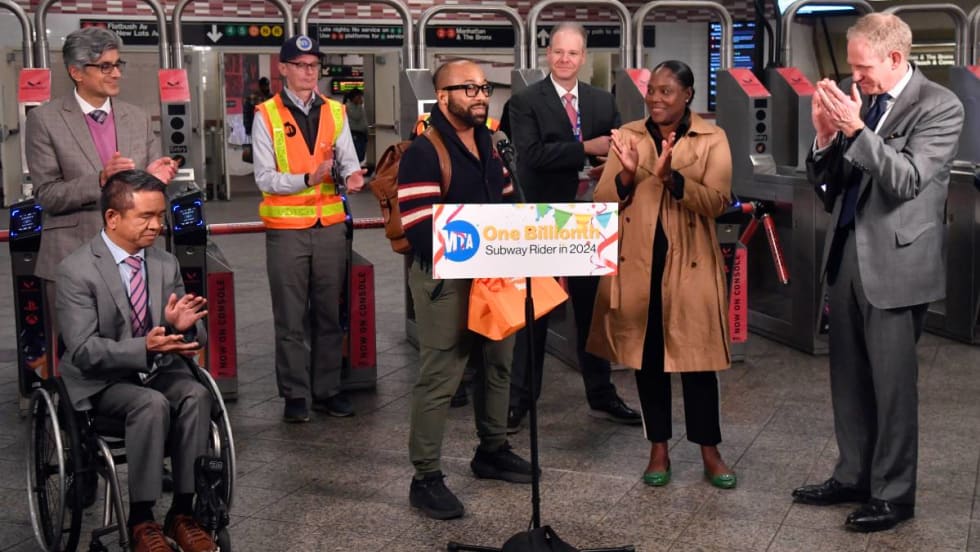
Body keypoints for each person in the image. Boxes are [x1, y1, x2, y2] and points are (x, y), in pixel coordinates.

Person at [791, 13, 964, 532]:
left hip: (896, 265)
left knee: (892, 388)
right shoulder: (858, 102)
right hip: (846, 258)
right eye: (852, 67)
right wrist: (825, 138)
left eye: (863, 67)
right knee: (847, 379)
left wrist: (856, 128)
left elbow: (906, 180)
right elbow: (833, 183)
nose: (855, 78)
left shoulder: (939, 106)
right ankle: (853, 475)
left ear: (895, 58)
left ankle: (893, 494)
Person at [587, 60, 736, 490]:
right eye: (652, 90)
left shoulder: (712, 138)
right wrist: (628, 177)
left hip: (690, 265)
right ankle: (658, 448)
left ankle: (710, 450)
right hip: (639, 263)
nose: (655, 98)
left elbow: (718, 202)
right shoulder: (629, 136)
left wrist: (674, 181)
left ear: (687, 94)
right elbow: (603, 201)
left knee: (698, 362)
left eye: (666, 91)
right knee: (648, 360)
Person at [397, 59, 532, 520]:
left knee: (499, 364)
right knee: (441, 375)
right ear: (444, 96)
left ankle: (492, 450)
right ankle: (426, 477)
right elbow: (417, 228)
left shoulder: (494, 144)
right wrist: (478, 242)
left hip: (495, 274)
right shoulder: (424, 150)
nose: (480, 95)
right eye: (469, 88)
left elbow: (511, 200)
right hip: (446, 281)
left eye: (484, 87)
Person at [56, 170, 215, 552]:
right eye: (146, 217)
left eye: (160, 216)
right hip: (102, 380)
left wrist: (181, 330)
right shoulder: (76, 271)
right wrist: (146, 346)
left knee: (195, 394)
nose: (157, 225)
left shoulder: (165, 264)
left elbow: (194, 337)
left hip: (155, 371)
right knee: (151, 403)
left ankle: (182, 512)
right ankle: (142, 517)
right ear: (113, 218)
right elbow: (83, 350)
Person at [506, 22, 639, 431]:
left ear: (584, 58)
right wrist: (584, 148)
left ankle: (601, 395)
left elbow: (616, 151)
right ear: (548, 54)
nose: (565, 60)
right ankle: (520, 400)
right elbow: (530, 156)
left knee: (592, 312)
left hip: (590, 219)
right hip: (542, 218)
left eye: (573, 53)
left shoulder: (602, 101)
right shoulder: (525, 101)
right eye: (558, 52)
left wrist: (608, 162)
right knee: (537, 310)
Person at [25, 27, 177, 356]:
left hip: (136, 257)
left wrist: (156, 179)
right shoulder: (45, 120)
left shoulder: (135, 118)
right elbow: (48, 194)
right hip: (73, 252)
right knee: (83, 352)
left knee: (141, 344)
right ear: (76, 72)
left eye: (117, 63)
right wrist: (100, 179)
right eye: (105, 66)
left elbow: (145, 187)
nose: (116, 73)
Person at [252, 35, 365, 423]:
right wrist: (308, 177)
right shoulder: (266, 114)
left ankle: (327, 390)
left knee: (329, 315)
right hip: (286, 230)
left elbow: (349, 158)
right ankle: (295, 395)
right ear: (282, 69)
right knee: (290, 317)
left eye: (313, 65)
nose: (308, 72)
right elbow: (265, 178)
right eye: (299, 65)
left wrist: (352, 175)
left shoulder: (335, 110)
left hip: (330, 226)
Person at [242, 76, 272, 162]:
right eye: (264, 85)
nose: (266, 87)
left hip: (270, 129)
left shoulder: (272, 97)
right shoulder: (252, 98)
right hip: (257, 129)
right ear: (260, 86)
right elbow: (246, 113)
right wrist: (248, 129)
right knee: (259, 152)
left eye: (267, 85)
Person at [344, 88, 369, 163]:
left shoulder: (358, 107)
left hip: (361, 134)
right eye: (359, 97)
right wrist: (359, 105)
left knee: (361, 155)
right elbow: (356, 116)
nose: (361, 99)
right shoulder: (348, 106)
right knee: (357, 155)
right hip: (355, 134)